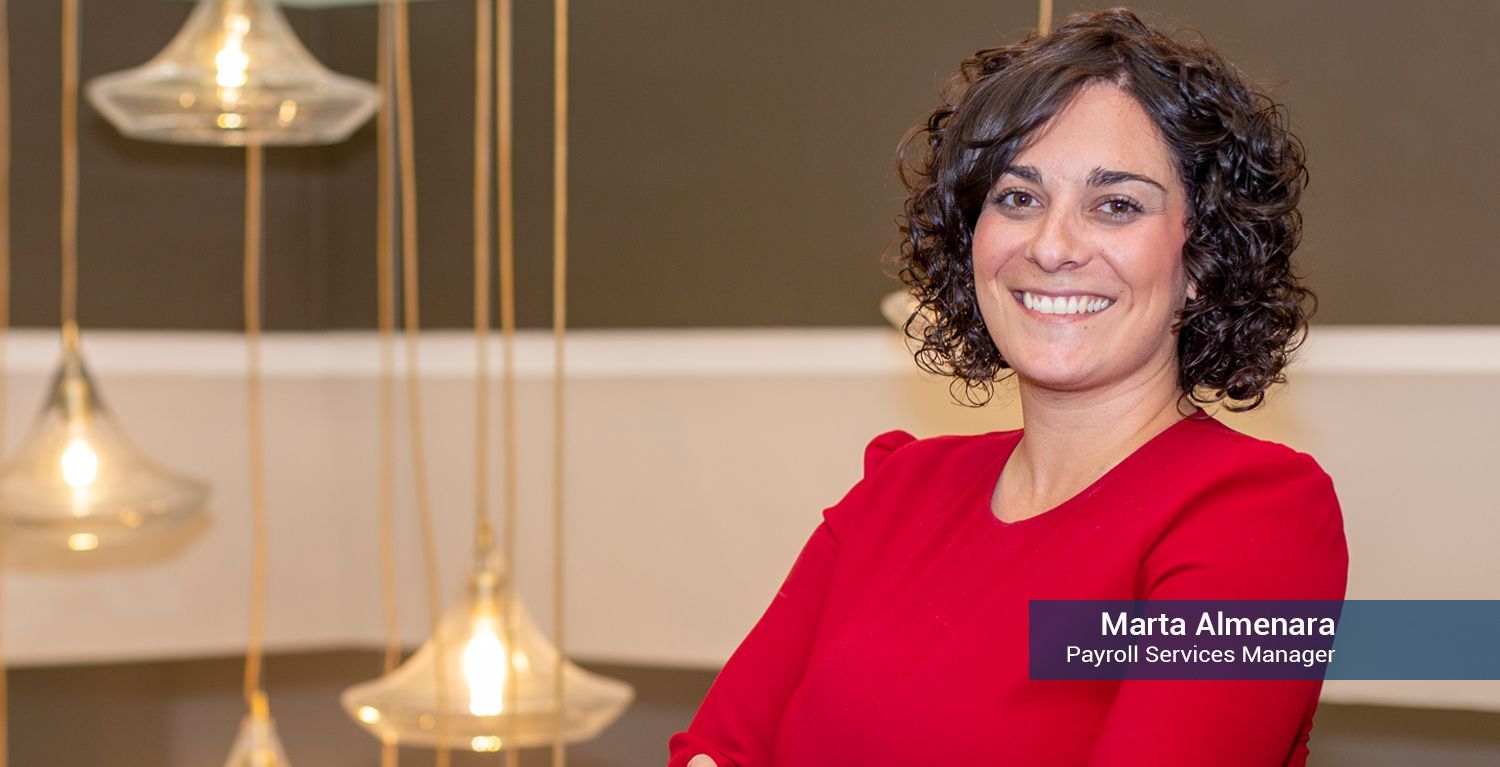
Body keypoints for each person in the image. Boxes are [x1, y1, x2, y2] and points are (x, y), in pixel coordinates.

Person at [668, 8, 1348, 766]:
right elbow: (715, 749)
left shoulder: (1257, 516)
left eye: (1116, 205)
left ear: (1202, 260)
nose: (1052, 246)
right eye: (1018, 198)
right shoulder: (893, 492)